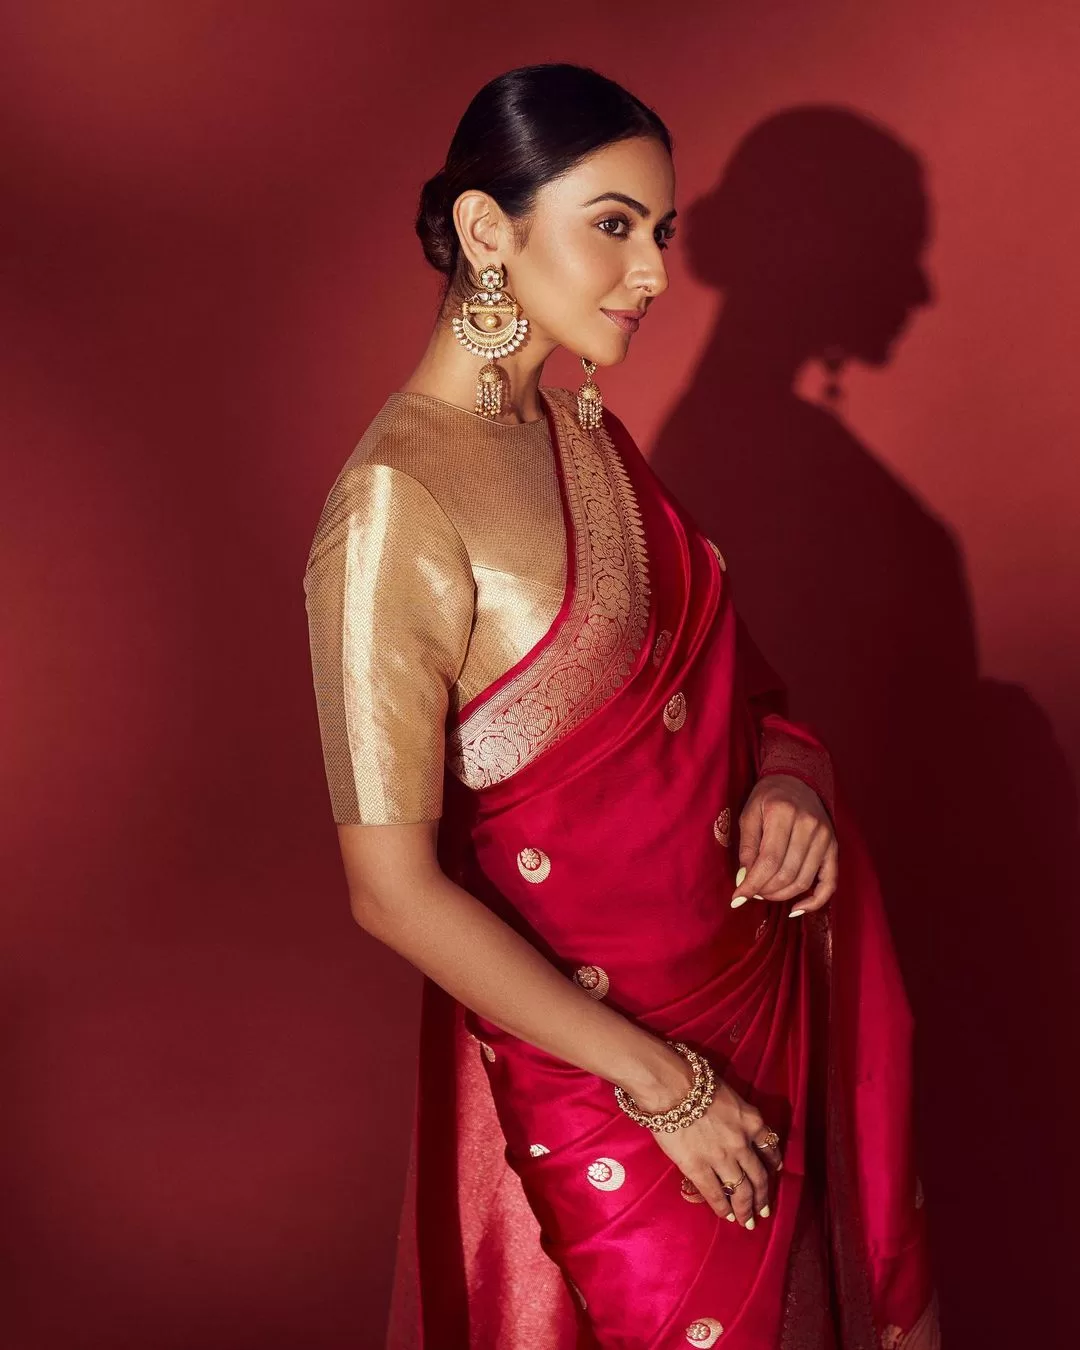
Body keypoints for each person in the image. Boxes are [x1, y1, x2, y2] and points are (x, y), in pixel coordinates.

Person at [302, 63, 940, 1350]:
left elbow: (731, 695)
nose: (651, 272)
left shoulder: (582, 432)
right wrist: (666, 1088)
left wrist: (790, 785)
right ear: (488, 230)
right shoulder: (393, 508)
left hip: (752, 999)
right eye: (613, 225)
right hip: (609, 1079)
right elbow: (391, 890)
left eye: (661, 232)